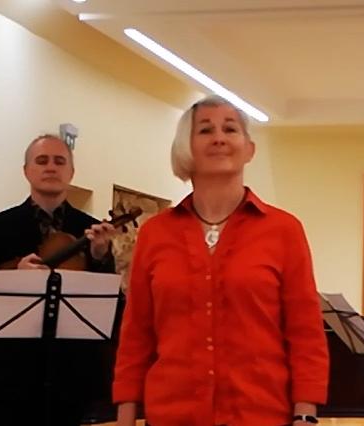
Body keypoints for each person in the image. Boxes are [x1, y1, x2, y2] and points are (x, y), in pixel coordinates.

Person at [113, 95, 329, 426]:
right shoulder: (155, 233)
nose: (218, 138)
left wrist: (305, 414)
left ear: (249, 149)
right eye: (205, 130)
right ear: (186, 147)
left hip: (261, 414)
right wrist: (126, 414)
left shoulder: (284, 230)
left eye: (230, 129)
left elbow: (305, 332)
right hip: (172, 415)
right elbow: (136, 333)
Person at [0, 133, 122, 425]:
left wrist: (100, 256)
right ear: (27, 171)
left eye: (59, 161)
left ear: (71, 172)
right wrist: (14, 275)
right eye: (42, 161)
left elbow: (113, 306)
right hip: (10, 372)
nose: (51, 167)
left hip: (72, 371)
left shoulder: (90, 230)